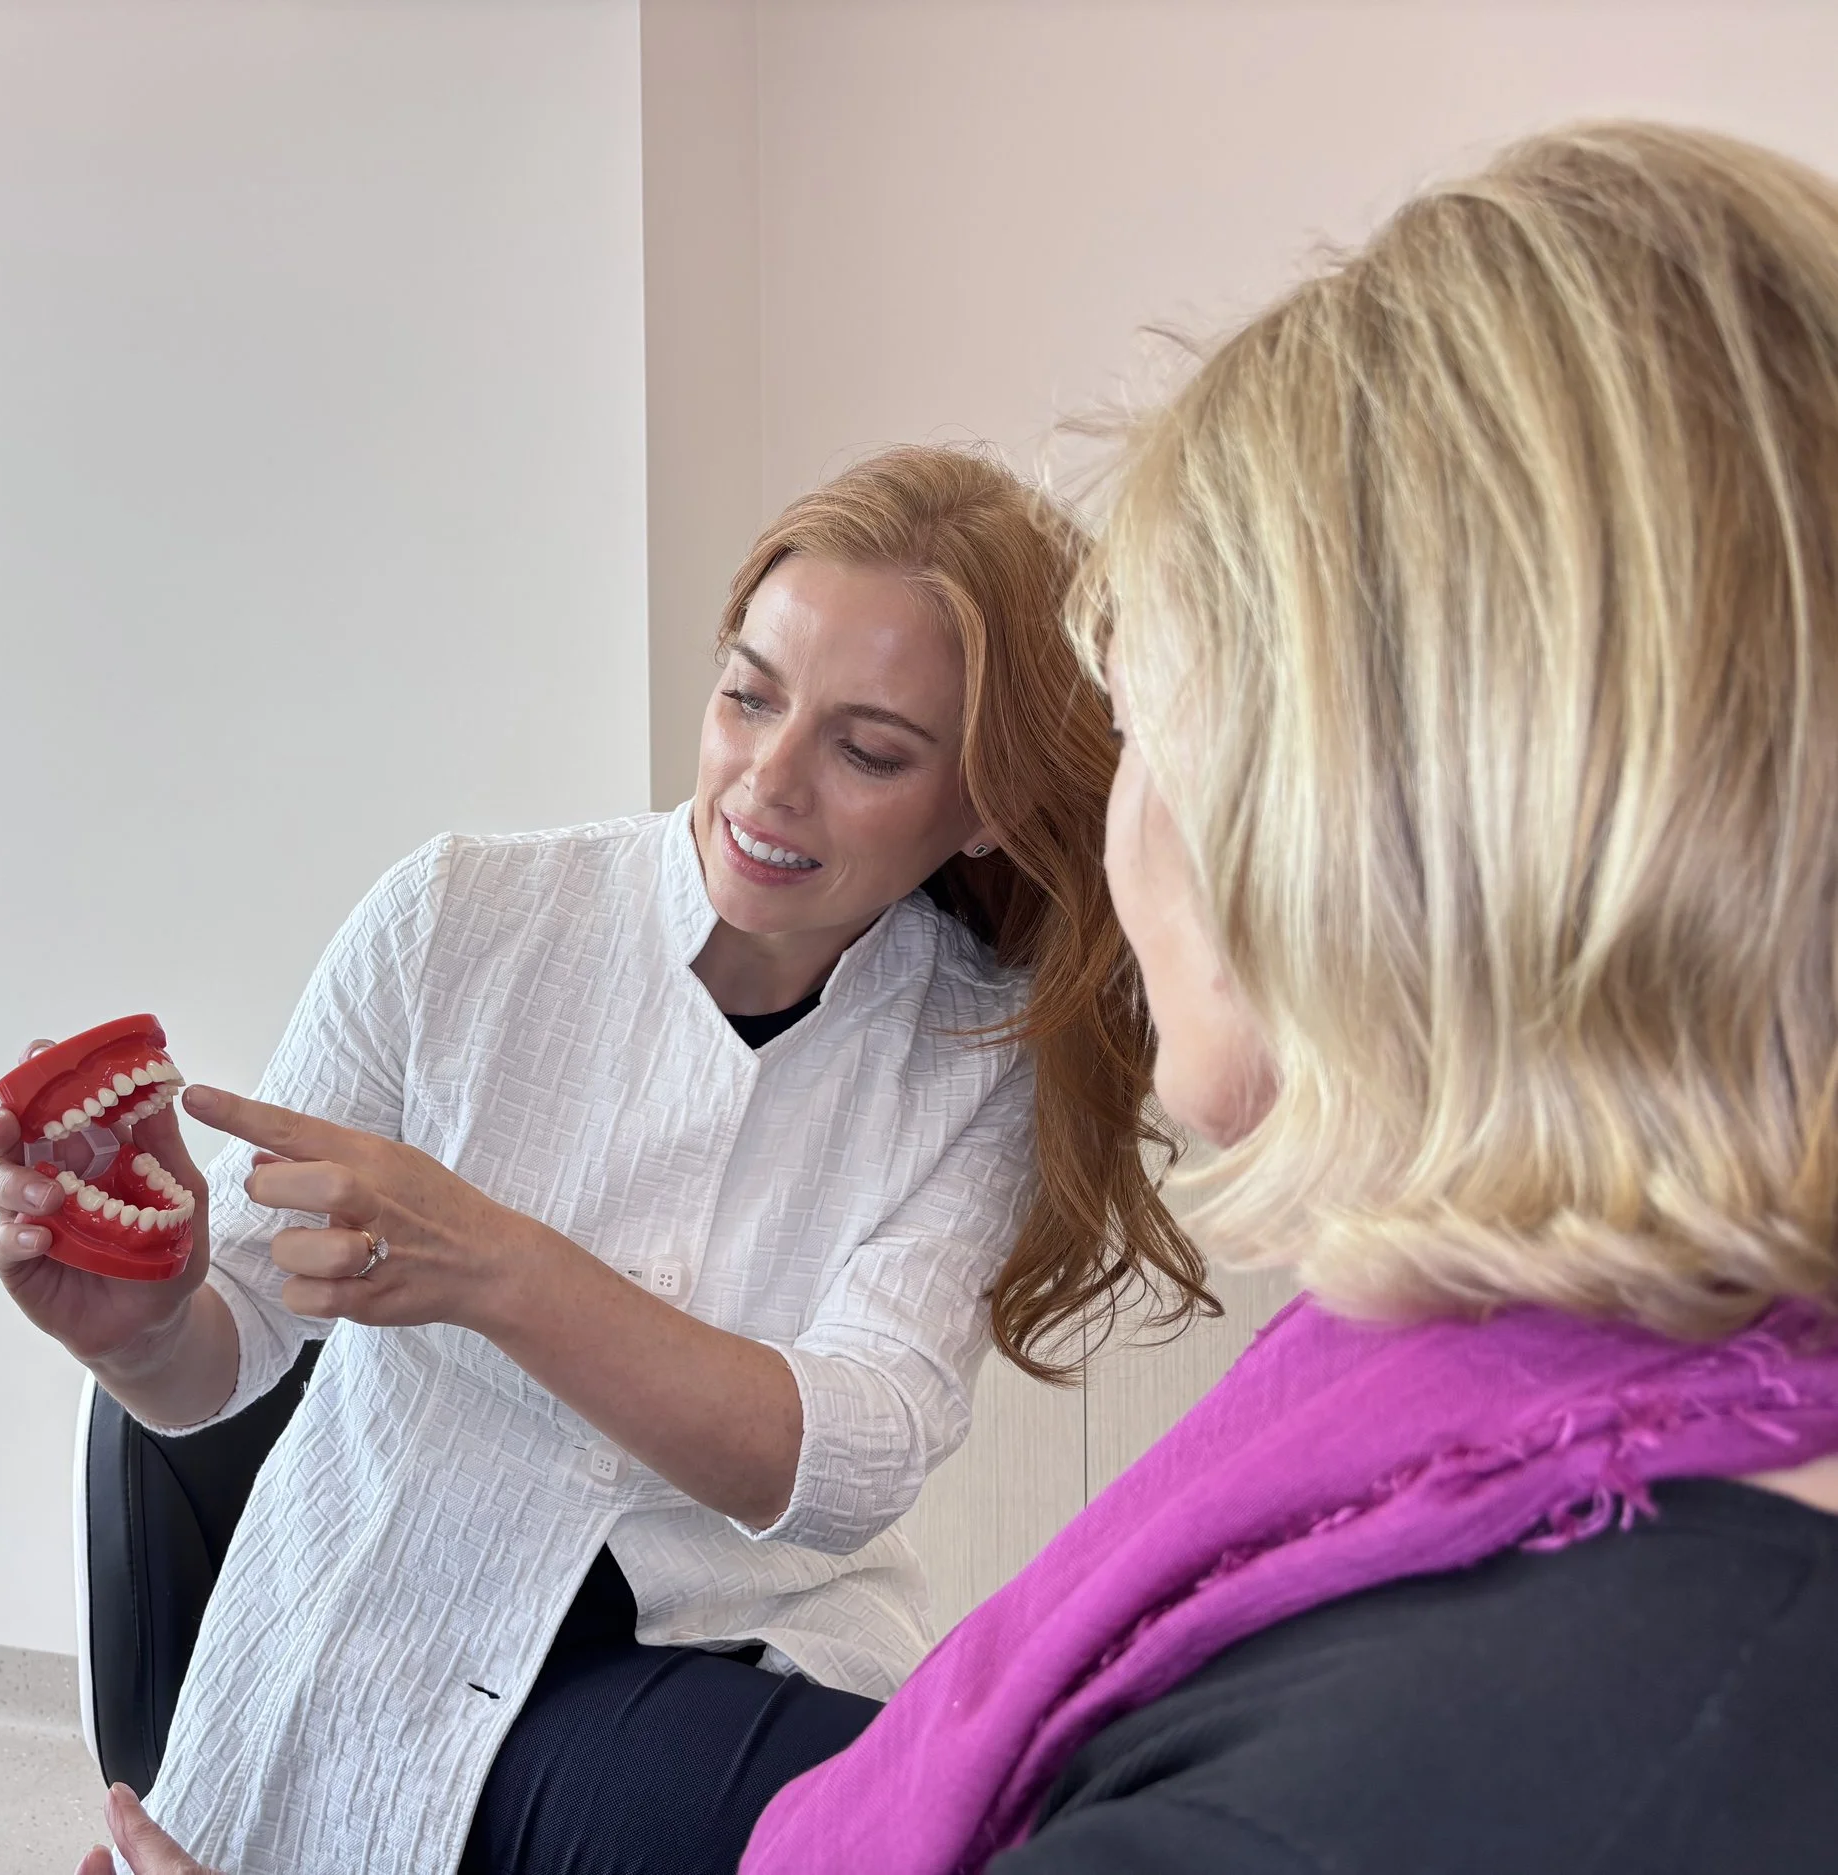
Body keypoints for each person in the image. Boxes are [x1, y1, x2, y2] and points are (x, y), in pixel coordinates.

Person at [740, 123, 1838, 1875]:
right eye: (748, 699)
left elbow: (836, 1450)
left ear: (1353, 835)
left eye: (1150, 722)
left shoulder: (1384, 1783)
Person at [0, 445, 1203, 1875]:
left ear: (982, 802)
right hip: (389, 1648)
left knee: (1002, 1830)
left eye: (869, 750)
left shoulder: (981, 1044)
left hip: (730, 1644)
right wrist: (141, 1327)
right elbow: (218, 1360)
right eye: (748, 693)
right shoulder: (455, 919)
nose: (771, 780)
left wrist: (496, 1266)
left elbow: (850, 1451)